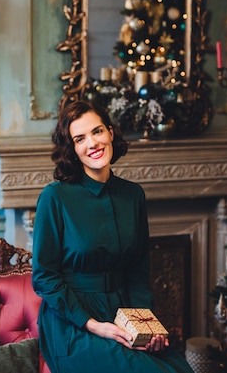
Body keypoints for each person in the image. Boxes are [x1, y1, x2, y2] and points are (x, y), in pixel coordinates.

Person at [31, 100, 194, 373]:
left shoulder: (133, 195)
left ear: (110, 132)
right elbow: (44, 277)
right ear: (72, 149)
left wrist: (146, 327)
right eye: (79, 139)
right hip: (73, 322)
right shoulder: (54, 197)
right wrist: (94, 325)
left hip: (123, 312)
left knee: (180, 369)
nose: (92, 143)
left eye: (97, 132)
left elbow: (138, 271)